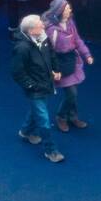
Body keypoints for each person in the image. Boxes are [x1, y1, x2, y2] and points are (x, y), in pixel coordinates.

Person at [11, 14, 64, 163]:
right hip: (35, 88)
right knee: (44, 120)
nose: (43, 26)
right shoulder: (22, 48)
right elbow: (17, 72)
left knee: (37, 110)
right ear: (31, 31)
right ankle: (51, 150)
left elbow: (51, 54)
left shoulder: (43, 37)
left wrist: (56, 69)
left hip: (45, 83)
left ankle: (26, 131)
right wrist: (31, 86)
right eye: (40, 25)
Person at [43, 0, 93, 133]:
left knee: (73, 93)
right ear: (59, 11)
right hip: (60, 64)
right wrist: (53, 69)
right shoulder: (51, 30)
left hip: (72, 61)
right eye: (67, 9)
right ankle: (61, 116)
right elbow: (48, 51)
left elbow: (77, 40)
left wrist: (86, 55)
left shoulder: (70, 23)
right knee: (71, 93)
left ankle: (72, 116)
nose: (70, 10)